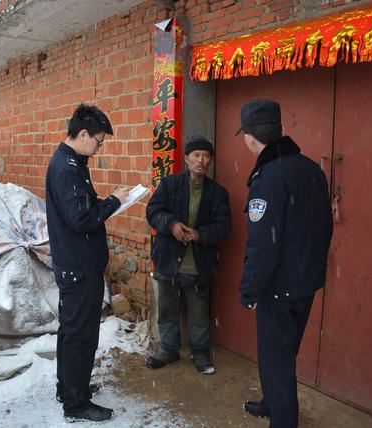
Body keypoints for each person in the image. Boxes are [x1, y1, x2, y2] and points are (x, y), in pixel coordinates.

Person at [236, 100, 333, 428]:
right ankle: (271, 402)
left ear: (250, 137)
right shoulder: (311, 169)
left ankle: (282, 419)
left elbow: (263, 244)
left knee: (276, 361)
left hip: (279, 287)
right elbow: (325, 226)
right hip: (306, 282)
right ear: (279, 131)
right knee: (284, 352)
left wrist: (249, 289)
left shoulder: (268, 177)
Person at [45, 104, 130, 422]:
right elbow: (81, 218)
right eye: (98, 141)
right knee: (81, 335)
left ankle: (69, 387)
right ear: (82, 134)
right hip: (79, 266)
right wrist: (115, 202)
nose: (99, 148)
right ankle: (76, 403)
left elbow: (78, 208)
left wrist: (106, 200)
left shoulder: (71, 162)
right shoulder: (67, 168)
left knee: (71, 330)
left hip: (74, 261)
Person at [145, 136, 232, 374]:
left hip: (198, 263)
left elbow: (224, 225)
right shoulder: (170, 184)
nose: (201, 160)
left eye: (206, 156)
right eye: (196, 155)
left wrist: (200, 234)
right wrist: (172, 225)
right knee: (167, 310)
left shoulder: (217, 193)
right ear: (186, 159)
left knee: (199, 313)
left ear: (210, 161)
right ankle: (168, 350)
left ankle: (199, 352)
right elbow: (152, 211)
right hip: (169, 259)